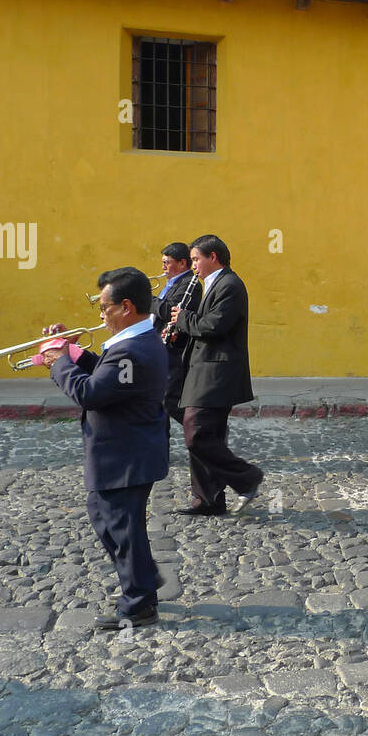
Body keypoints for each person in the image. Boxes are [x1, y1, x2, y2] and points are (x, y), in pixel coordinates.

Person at [42, 268, 169, 631]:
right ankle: (142, 576)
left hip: (125, 454)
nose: (100, 315)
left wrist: (59, 362)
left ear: (126, 307)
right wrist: (74, 354)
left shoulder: (132, 348)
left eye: (104, 307)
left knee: (121, 527)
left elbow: (91, 393)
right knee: (106, 518)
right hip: (124, 452)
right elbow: (107, 377)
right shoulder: (137, 342)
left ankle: (139, 604)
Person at [173, 234, 263, 516]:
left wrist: (182, 319)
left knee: (196, 433)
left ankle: (246, 477)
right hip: (203, 369)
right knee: (207, 435)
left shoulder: (231, 285)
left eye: (197, 259)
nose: (193, 265)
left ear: (213, 257)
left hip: (216, 372)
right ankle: (208, 501)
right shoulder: (214, 283)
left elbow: (214, 326)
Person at [150, 241, 203, 437]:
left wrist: (147, 298)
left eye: (167, 262)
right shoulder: (172, 283)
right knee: (159, 400)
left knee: (170, 400)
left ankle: (206, 430)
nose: (163, 267)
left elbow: (168, 311)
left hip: (174, 349)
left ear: (182, 263)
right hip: (159, 347)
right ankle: (161, 443)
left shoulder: (190, 284)